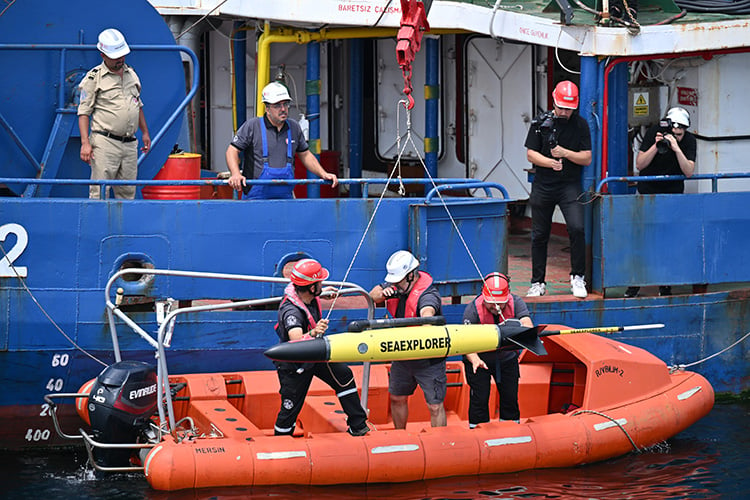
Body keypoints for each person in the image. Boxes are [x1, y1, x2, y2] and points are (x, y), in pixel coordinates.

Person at [273, 258, 369, 436]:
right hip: (295, 365)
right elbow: (295, 338)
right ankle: (281, 439)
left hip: (315, 355)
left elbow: (308, 297)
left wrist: (323, 292)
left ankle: (358, 424)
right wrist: (314, 332)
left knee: (343, 374)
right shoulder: (291, 312)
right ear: (311, 287)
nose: (322, 284)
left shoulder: (306, 295)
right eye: (320, 283)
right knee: (290, 407)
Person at [525, 80, 592, 299]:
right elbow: (530, 154)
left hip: (568, 185)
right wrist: (549, 162)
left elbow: (586, 158)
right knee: (539, 235)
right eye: (561, 107)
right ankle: (537, 282)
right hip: (543, 184)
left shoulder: (580, 124)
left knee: (577, 228)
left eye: (569, 109)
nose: (564, 112)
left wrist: (564, 153)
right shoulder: (539, 122)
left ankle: (578, 277)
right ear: (554, 102)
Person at [369, 250, 446, 429]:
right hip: (403, 355)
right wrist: (382, 294)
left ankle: (439, 443)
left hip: (429, 359)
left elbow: (428, 312)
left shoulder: (428, 295)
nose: (395, 284)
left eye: (398, 280)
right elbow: (372, 294)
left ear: (411, 275)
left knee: (434, 405)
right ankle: (400, 435)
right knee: (397, 397)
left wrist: (426, 320)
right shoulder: (396, 285)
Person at [625, 107, 697, 298]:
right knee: (641, 241)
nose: (677, 136)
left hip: (672, 195)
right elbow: (639, 164)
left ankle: (665, 283)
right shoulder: (654, 132)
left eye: (680, 134)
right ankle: (635, 283)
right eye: (675, 134)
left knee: (668, 242)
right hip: (647, 193)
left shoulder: (689, 141)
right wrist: (656, 147)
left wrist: (676, 148)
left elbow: (689, 171)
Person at [225, 81, 338, 199]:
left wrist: (323, 174)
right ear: (267, 108)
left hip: (285, 199)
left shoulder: (294, 127)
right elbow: (232, 151)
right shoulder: (253, 126)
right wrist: (236, 174)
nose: (283, 109)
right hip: (255, 198)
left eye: (286, 104)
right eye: (277, 105)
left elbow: (305, 155)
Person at [78, 28, 150, 200]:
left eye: (122, 55)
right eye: (115, 56)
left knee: (128, 191)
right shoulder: (94, 78)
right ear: (103, 55)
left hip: (130, 143)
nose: (120, 59)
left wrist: (145, 132)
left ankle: (122, 227)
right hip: (105, 142)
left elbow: (137, 104)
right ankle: (98, 226)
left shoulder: (131, 74)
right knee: (100, 191)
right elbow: (83, 112)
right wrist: (85, 143)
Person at [462, 272, 533, 427]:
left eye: (500, 303)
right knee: (479, 399)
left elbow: (527, 324)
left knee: (510, 398)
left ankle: (511, 429)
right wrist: (475, 360)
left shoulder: (517, 303)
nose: (496, 307)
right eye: (491, 303)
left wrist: (521, 330)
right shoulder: (472, 310)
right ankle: (478, 431)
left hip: (507, 360)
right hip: (479, 360)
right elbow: (466, 342)